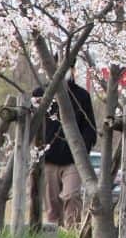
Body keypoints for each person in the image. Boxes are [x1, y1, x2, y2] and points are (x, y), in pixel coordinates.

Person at [32, 74, 97, 228]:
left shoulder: (82, 96)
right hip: (47, 158)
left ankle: (72, 234)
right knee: (52, 203)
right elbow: (32, 123)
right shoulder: (40, 94)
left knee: (72, 195)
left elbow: (89, 128)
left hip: (73, 159)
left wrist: (83, 149)